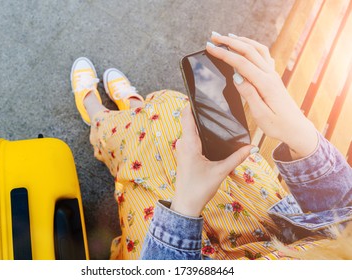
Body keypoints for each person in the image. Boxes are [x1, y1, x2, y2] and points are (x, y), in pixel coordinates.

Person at [70, 32, 352, 260]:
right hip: (275, 220)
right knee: (175, 111)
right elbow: (346, 213)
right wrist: (303, 137)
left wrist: (184, 207)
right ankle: (135, 109)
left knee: (147, 175)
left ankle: (99, 116)